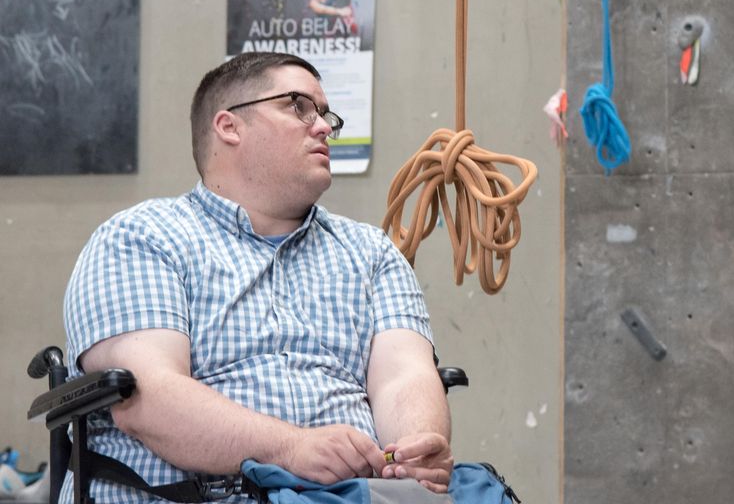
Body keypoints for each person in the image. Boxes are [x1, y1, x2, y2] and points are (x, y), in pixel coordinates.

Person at [63, 52, 453, 503]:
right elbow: (149, 400)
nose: (324, 126)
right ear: (229, 126)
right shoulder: (142, 237)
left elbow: (403, 375)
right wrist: (291, 448)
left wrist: (414, 452)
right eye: (297, 106)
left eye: (325, 114)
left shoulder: (371, 252)